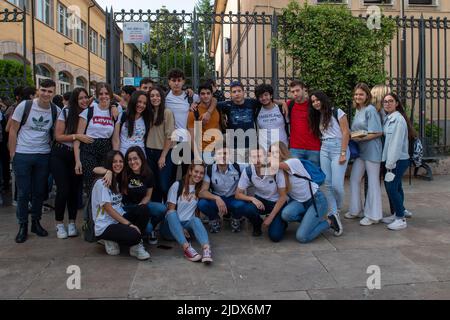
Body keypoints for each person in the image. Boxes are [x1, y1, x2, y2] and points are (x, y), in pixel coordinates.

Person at [9, 79, 60, 243]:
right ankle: (22, 225)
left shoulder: (55, 110)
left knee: (39, 192)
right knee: (23, 193)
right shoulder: (25, 106)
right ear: (39, 90)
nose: (46, 94)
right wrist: (13, 155)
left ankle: (35, 223)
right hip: (23, 154)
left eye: (50, 91)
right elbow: (13, 130)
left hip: (43, 155)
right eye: (43, 90)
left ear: (54, 93)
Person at [96, 146, 167, 245]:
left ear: (141, 158)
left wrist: (141, 205)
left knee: (162, 209)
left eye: (135, 158)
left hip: (141, 205)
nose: (132, 162)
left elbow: (148, 196)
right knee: (147, 228)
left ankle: (149, 228)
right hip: (126, 207)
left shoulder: (148, 173)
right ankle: (140, 233)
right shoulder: (124, 171)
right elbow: (95, 169)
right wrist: (108, 171)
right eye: (129, 160)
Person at [91, 150, 151, 260]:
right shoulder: (102, 182)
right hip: (105, 225)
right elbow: (108, 209)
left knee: (144, 209)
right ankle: (109, 239)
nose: (118, 164)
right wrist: (129, 224)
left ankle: (135, 246)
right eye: (114, 162)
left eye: (120, 161)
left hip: (118, 219)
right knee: (134, 234)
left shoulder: (117, 180)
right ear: (109, 163)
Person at [271, 142, 335, 243]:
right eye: (271, 153)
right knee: (286, 214)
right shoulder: (279, 172)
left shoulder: (293, 162)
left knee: (302, 237)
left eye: (275, 152)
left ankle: (330, 221)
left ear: (282, 152)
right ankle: (309, 222)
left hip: (316, 200)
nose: (273, 156)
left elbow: (274, 165)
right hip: (300, 202)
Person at [51, 87, 93, 239]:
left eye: (85, 97)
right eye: (80, 98)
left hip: (77, 155)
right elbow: (58, 136)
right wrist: (77, 136)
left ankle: (72, 223)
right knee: (63, 190)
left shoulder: (90, 112)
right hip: (60, 154)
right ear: (74, 100)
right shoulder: (66, 111)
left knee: (75, 191)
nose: (83, 101)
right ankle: (59, 224)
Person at [308, 91, 350, 236]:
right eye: (313, 101)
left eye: (317, 100)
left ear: (323, 99)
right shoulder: (317, 116)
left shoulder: (337, 112)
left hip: (339, 148)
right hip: (324, 148)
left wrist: (343, 152)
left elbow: (346, 132)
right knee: (326, 183)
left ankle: (336, 208)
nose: (315, 103)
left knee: (337, 185)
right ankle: (333, 214)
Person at [217, 81, 287, 164]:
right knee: (237, 171)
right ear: (231, 94)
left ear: (244, 92)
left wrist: (283, 102)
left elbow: (266, 99)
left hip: (251, 146)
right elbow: (212, 103)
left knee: (251, 171)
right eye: (234, 92)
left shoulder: (252, 103)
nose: (237, 94)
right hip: (234, 147)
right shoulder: (226, 105)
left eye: (239, 91)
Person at [345, 83, 383, 226]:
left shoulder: (370, 110)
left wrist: (356, 137)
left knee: (373, 182)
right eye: (356, 94)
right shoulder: (358, 110)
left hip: (372, 150)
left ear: (367, 95)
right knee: (354, 178)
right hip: (361, 151)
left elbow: (378, 132)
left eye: (361, 94)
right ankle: (356, 210)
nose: (358, 96)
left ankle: (374, 215)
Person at [198, 146, 259, 234]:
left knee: (242, 205)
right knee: (202, 204)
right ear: (214, 156)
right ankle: (214, 218)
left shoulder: (238, 167)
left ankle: (236, 217)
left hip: (234, 199)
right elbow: (202, 192)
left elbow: (255, 167)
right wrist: (217, 198)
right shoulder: (209, 169)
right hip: (217, 199)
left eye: (225, 153)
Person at [162, 163, 213, 264]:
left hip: (187, 227)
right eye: (196, 172)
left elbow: (196, 213)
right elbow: (170, 210)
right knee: (171, 212)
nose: (198, 175)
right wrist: (181, 228)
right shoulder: (177, 185)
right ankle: (187, 249)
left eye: (201, 173)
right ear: (190, 171)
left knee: (196, 219)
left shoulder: (199, 189)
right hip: (171, 227)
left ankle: (206, 250)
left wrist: (218, 198)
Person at [380, 93, 417, 230]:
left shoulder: (398, 120)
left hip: (396, 160)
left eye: (390, 101)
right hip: (394, 159)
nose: (387, 104)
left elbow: (395, 144)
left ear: (396, 103)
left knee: (391, 188)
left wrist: (390, 164)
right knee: (397, 187)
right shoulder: (390, 118)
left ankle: (400, 218)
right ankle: (398, 211)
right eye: (385, 102)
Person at [74, 83, 116, 197]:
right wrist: (77, 161)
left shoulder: (115, 112)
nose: (104, 96)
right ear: (97, 96)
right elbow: (78, 138)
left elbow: (115, 139)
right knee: (91, 185)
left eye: (106, 93)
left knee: (105, 185)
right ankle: (91, 213)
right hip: (89, 148)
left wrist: (115, 157)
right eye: (101, 94)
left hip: (106, 150)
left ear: (111, 95)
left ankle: (103, 213)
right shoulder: (88, 111)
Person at [235, 148, 284, 239]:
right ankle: (257, 225)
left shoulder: (275, 170)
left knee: (275, 236)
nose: (257, 160)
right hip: (261, 200)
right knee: (246, 208)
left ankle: (281, 222)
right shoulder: (248, 171)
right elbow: (238, 194)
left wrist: (270, 218)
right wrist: (252, 199)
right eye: (254, 157)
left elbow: (283, 197)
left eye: (260, 156)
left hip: (277, 203)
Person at [145, 86, 176, 203]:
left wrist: (163, 156)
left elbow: (170, 136)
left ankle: (169, 209)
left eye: (157, 95)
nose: (155, 98)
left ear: (162, 97)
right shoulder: (147, 112)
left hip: (165, 152)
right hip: (149, 151)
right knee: (154, 184)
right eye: (152, 96)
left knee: (164, 184)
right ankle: (157, 211)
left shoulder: (167, 112)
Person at [287, 80, 321, 167]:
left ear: (304, 89)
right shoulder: (290, 105)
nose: (295, 94)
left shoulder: (313, 105)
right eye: (293, 91)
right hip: (295, 148)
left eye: (297, 90)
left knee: (314, 177)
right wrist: (281, 102)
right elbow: (272, 103)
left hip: (314, 148)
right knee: (297, 177)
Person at [187, 83, 222, 164]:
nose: (206, 96)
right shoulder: (193, 112)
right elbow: (191, 137)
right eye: (202, 94)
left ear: (212, 94)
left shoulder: (216, 108)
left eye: (208, 93)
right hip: (204, 151)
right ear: (199, 95)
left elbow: (218, 126)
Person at [112, 90, 151, 157]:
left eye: (144, 103)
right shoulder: (122, 116)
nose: (141, 105)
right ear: (133, 101)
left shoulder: (147, 118)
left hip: (140, 157)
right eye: (139, 102)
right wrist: (116, 155)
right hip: (124, 155)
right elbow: (116, 139)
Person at [254, 83, 289, 151]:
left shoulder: (281, 108)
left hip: (282, 149)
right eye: (261, 96)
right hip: (265, 149)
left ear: (271, 95)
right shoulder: (256, 110)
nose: (264, 98)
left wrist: (283, 103)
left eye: (266, 95)